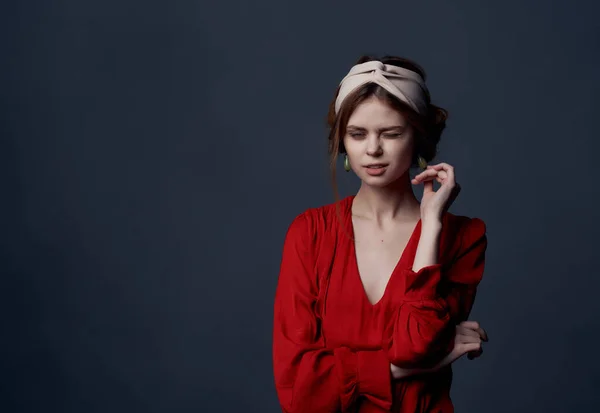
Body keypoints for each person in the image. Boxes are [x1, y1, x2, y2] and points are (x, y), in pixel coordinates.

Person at [272, 55, 489, 412]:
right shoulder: (308, 234)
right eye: (358, 134)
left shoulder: (463, 238)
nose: (372, 149)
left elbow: (414, 345)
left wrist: (431, 224)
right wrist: (401, 369)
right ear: (343, 143)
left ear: (417, 139)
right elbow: (298, 391)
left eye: (391, 134)